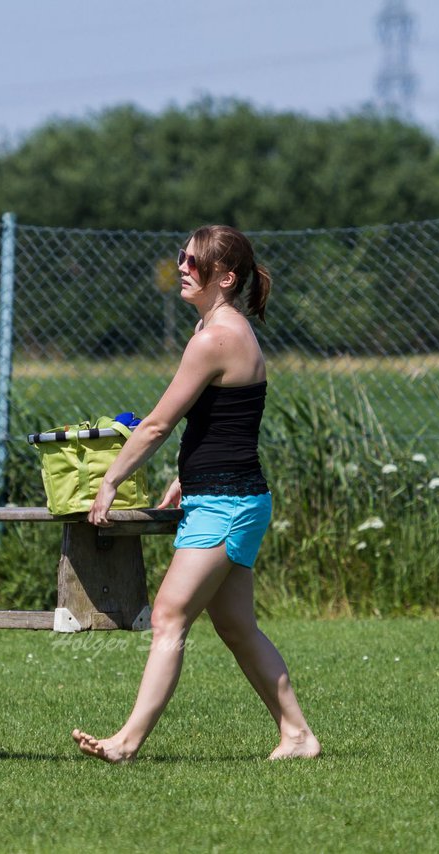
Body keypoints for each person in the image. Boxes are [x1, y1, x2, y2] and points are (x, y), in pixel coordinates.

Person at [71, 225, 320, 764]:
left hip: (227, 506)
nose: (182, 267)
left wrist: (110, 480)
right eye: (182, 257)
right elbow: (226, 423)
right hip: (227, 497)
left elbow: (158, 424)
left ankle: (126, 742)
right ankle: (298, 736)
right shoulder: (222, 328)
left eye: (194, 262)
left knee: (168, 617)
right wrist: (191, 475)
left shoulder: (216, 337)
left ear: (224, 278)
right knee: (235, 626)